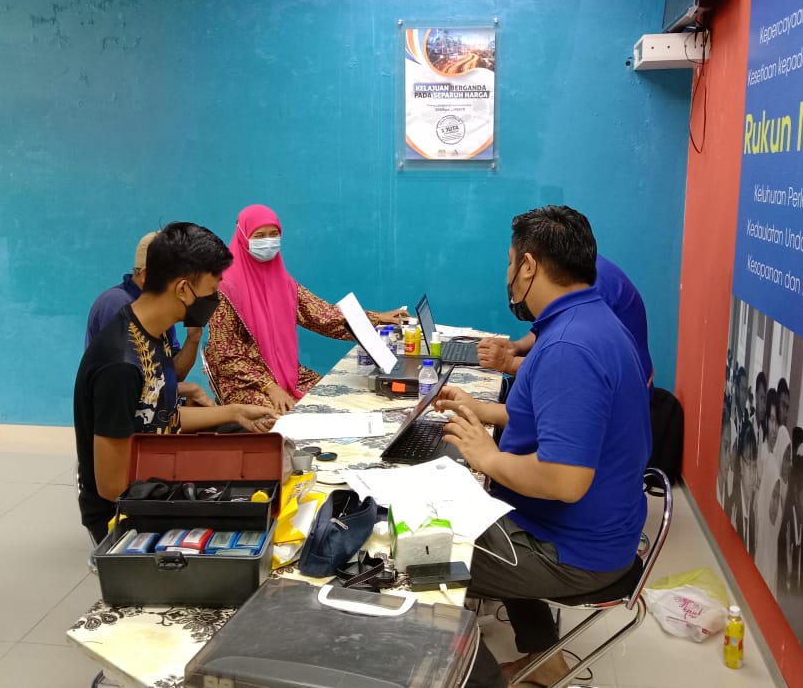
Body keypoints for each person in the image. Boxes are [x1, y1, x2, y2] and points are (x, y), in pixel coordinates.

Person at [433, 206, 651, 687]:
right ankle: (544, 660)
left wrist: (489, 457)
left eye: (510, 262)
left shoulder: (569, 347)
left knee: (412, 552)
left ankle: (481, 680)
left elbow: (564, 480)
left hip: (570, 553)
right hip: (595, 533)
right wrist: (483, 411)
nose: (509, 273)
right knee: (459, 499)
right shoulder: (590, 320)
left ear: (529, 266)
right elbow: (562, 419)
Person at [74, 222, 277, 543]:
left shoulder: (151, 334)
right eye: (212, 289)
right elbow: (112, 486)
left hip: (154, 480)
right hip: (122, 512)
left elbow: (158, 416)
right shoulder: (121, 363)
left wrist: (235, 412)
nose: (215, 299)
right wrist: (194, 490)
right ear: (183, 289)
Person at [204, 205, 408, 413]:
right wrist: (269, 387)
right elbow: (225, 355)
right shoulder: (223, 288)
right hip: (246, 383)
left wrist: (376, 318)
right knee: (282, 417)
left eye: (274, 234)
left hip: (288, 374)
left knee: (334, 402)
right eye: (259, 236)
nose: (268, 241)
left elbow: (323, 316)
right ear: (243, 237)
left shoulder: (283, 282)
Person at [476, 253, 653, 386]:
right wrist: (517, 347)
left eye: (512, 262)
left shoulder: (590, 288)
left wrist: (509, 363)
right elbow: (552, 324)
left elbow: (567, 366)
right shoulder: (572, 269)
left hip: (614, 393)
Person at [85, 231, 213, 406]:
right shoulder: (116, 303)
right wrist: (188, 389)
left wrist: (193, 337)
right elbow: (126, 389)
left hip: (155, 412)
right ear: (147, 275)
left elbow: (173, 376)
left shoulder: (160, 307)